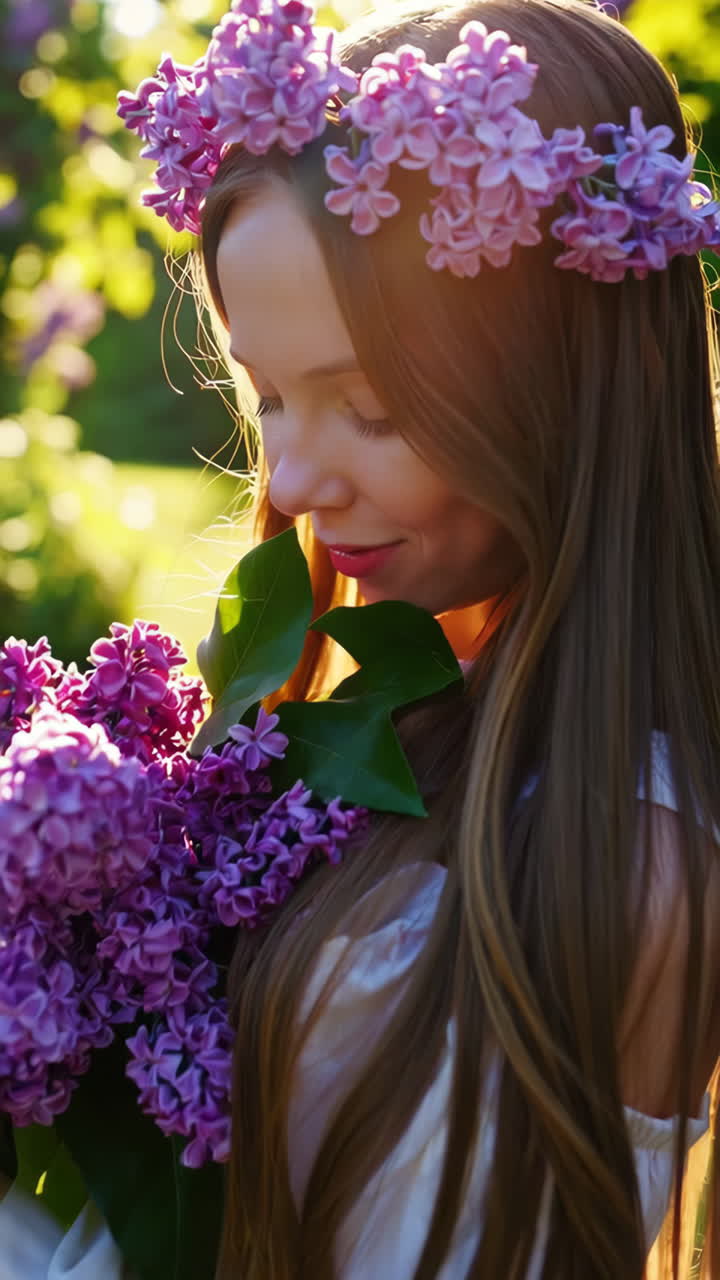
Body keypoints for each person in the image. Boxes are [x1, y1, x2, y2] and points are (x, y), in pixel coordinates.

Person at [1, 0, 719, 1276]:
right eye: (268, 392)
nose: (293, 475)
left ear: (578, 381)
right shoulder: (403, 720)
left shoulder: (621, 871)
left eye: (370, 407)